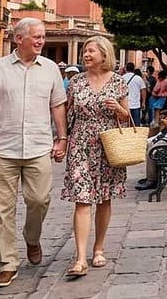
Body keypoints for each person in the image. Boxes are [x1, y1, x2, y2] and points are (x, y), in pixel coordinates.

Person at [0, 17, 68, 289]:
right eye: (35, 36)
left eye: (43, 37)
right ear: (18, 39)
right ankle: (7, 264)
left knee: (39, 199)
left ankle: (32, 237)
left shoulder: (50, 70)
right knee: (2, 210)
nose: (40, 41)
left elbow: (58, 106)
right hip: (2, 148)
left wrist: (62, 138)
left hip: (38, 147)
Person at [60, 36, 130, 277]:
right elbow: (68, 114)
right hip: (80, 143)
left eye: (90, 51)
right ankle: (80, 258)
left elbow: (126, 117)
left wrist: (118, 109)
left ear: (104, 54)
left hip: (108, 145)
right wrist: (62, 140)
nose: (86, 55)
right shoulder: (76, 82)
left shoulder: (118, 82)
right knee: (81, 199)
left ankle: (98, 247)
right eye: (84, 51)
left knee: (104, 199)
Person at [121, 62, 146, 127]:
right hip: (136, 105)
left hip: (125, 105)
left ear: (126, 69)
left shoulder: (122, 78)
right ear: (134, 68)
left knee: (125, 124)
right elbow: (143, 91)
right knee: (136, 124)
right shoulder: (139, 78)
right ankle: (136, 135)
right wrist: (143, 102)